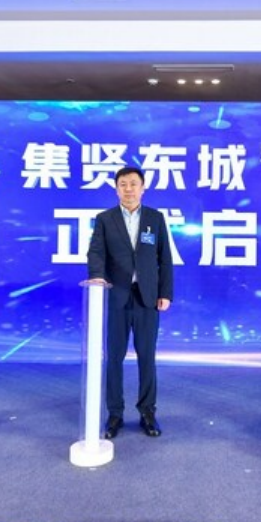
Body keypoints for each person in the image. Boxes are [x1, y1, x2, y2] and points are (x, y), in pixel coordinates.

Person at [87, 166, 174, 439]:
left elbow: (165, 259)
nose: (128, 189)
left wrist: (166, 293)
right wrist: (98, 278)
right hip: (117, 297)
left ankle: (148, 412)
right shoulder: (105, 219)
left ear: (143, 188)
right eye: (123, 184)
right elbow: (96, 253)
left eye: (133, 184)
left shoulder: (155, 218)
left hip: (147, 298)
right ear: (116, 189)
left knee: (147, 357)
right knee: (114, 357)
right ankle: (115, 413)